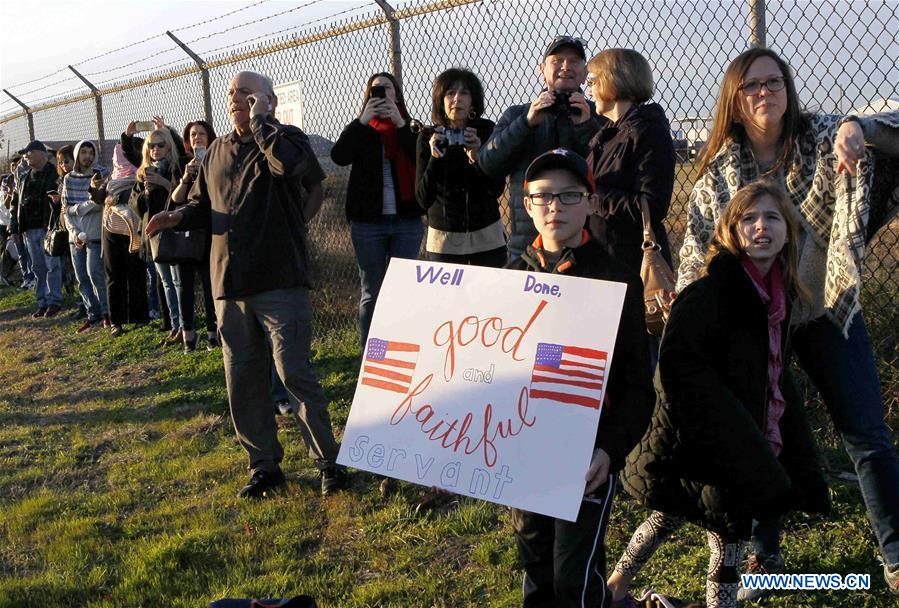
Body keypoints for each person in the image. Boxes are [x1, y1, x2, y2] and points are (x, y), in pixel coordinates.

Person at [676, 47, 899, 598]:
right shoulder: (717, 176)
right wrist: (687, 310)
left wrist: (859, 126)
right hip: (755, 318)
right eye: (751, 85)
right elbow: (694, 251)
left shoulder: (823, 137)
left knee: (866, 431)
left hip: (824, 305)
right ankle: (762, 550)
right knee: (757, 431)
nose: (765, 92)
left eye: (774, 81)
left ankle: (895, 554)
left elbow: (891, 131)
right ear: (734, 97)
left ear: (788, 88)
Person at [612, 180, 831, 608]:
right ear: (731, 229)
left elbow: (771, 371)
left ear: (788, 229)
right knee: (723, 534)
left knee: (686, 518)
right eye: (748, 218)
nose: (761, 227)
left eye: (772, 218)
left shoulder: (779, 296)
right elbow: (677, 366)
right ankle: (620, 586)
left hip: (742, 433)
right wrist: (723, 428)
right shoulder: (709, 292)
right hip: (707, 438)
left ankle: (616, 585)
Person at [146, 70, 346, 498]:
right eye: (232, 92)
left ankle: (328, 460)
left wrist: (262, 124)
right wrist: (177, 216)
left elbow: (293, 170)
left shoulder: (286, 138)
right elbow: (202, 203)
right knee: (242, 378)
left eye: (247, 93)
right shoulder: (216, 150)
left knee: (294, 373)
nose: (236, 98)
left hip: (279, 280)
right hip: (229, 284)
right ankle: (264, 465)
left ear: (268, 101)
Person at [505, 148, 654, 607]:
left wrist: (609, 449)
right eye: (543, 197)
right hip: (521, 446)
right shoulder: (509, 280)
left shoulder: (616, 282)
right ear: (526, 205)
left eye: (569, 196)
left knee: (573, 576)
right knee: (534, 560)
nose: (555, 207)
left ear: (591, 202)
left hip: (585, 454)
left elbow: (636, 386)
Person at [480, 35, 602, 261]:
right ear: (542, 69)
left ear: (585, 73)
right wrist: (526, 124)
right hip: (527, 246)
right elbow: (488, 163)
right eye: (557, 60)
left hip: (588, 245)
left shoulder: (599, 115)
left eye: (574, 61)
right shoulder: (518, 114)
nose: (566, 66)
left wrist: (587, 128)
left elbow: (610, 170)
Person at [331, 72, 424, 348]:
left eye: (387, 89)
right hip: (368, 223)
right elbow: (339, 156)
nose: (382, 93)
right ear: (368, 95)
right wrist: (361, 122)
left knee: (404, 289)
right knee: (371, 291)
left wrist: (400, 123)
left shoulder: (411, 127)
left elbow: (422, 157)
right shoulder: (362, 129)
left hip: (406, 220)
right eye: (376, 90)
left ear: (397, 94)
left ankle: (402, 349)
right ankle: (370, 355)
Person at [584, 48, 675, 275]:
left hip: (630, 264)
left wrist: (591, 197)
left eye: (593, 81)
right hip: (602, 256)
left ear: (613, 80)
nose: (590, 89)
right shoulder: (606, 134)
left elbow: (651, 206)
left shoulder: (648, 131)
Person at [415, 68, 506, 267]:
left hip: (487, 235)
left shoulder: (486, 130)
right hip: (444, 240)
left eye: (464, 92)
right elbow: (423, 199)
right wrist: (435, 158)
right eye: (450, 93)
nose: (457, 98)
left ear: (473, 100)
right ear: (441, 100)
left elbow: (496, 189)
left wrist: (477, 157)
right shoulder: (428, 136)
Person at [129, 128, 183, 347]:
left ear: (169, 146)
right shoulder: (143, 172)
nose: (156, 150)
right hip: (154, 235)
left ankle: (185, 325)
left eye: (161, 145)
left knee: (178, 281)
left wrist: (163, 183)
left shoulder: (175, 168)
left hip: (175, 232)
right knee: (166, 283)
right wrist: (145, 193)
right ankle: (175, 325)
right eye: (152, 146)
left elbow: (184, 197)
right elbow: (136, 206)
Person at [171, 119, 219, 352]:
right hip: (188, 230)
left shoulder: (218, 158)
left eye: (201, 133)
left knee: (211, 283)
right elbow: (177, 199)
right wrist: (187, 177)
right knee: (184, 284)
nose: (196, 138)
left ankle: (213, 332)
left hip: (211, 227)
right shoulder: (182, 163)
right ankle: (188, 333)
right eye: (192, 135)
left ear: (210, 136)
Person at [10, 141, 63, 318]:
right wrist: (15, 227)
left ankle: (54, 301)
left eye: (29, 152)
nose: (26, 156)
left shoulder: (54, 174)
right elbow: (15, 203)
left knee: (52, 265)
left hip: (47, 227)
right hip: (29, 229)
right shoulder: (24, 178)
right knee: (37, 267)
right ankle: (42, 302)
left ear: (41, 154)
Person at [62, 140, 109, 331]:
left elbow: (99, 203)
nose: (87, 156)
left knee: (95, 273)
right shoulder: (69, 179)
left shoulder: (101, 174)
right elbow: (65, 210)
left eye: (91, 152)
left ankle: (106, 312)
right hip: (76, 237)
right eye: (84, 152)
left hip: (95, 233)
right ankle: (93, 314)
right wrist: (75, 234)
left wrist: (77, 209)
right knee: (81, 277)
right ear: (77, 155)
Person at [102, 144, 147, 336]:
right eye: (120, 155)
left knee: (137, 272)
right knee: (114, 274)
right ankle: (116, 321)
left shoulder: (141, 175)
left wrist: (117, 197)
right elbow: (99, 197)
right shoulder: (110, 178)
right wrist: (99, 193)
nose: (123, 159)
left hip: (135, 230)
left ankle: (139, 317)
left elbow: (137, 196)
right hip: (110, 228)